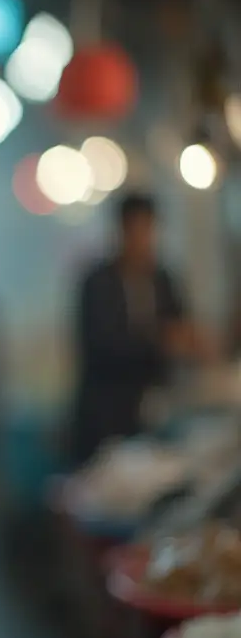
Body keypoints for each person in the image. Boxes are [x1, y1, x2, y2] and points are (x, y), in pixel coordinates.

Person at [69, 191, 210, 464]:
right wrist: (161, 341)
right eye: (137, 229)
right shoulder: (97, 283)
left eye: (149, 229)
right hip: (105, 416)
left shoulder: (163, 278)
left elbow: (181, 325)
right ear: (121, 230)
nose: (144, 239)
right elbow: (101, 345)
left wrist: (193, 341)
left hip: (156, 411)